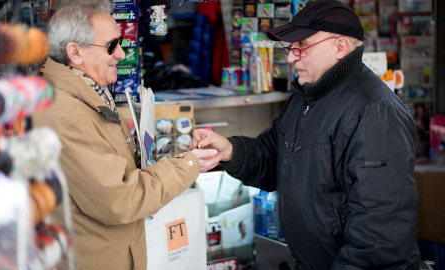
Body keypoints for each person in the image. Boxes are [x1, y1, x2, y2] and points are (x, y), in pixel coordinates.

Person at [189, 0, 421, 269]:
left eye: (301, 47)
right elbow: (276, 156)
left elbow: (379, 236)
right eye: (290, 48)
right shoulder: (306, 95)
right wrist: (229, 150)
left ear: (340, 47)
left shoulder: (374, 111)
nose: (290, 57)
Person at [32, 0, 218, 269]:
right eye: (111, 45)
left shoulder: (87, 94)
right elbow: (120, 198)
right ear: (75, 52)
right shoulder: (66, 112)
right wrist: (188, 165)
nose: (121, 54)